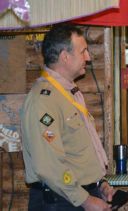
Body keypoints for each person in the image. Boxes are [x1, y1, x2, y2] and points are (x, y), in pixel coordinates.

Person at [21, 24, 115, 210]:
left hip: (76, 197)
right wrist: (86, 200)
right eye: (83, 52)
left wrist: (99, 183)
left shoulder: (69, 93)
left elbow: (77, 152)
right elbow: (48, 165)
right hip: (60, 201)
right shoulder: (43, 100)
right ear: (65, 56)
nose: (88, 57)